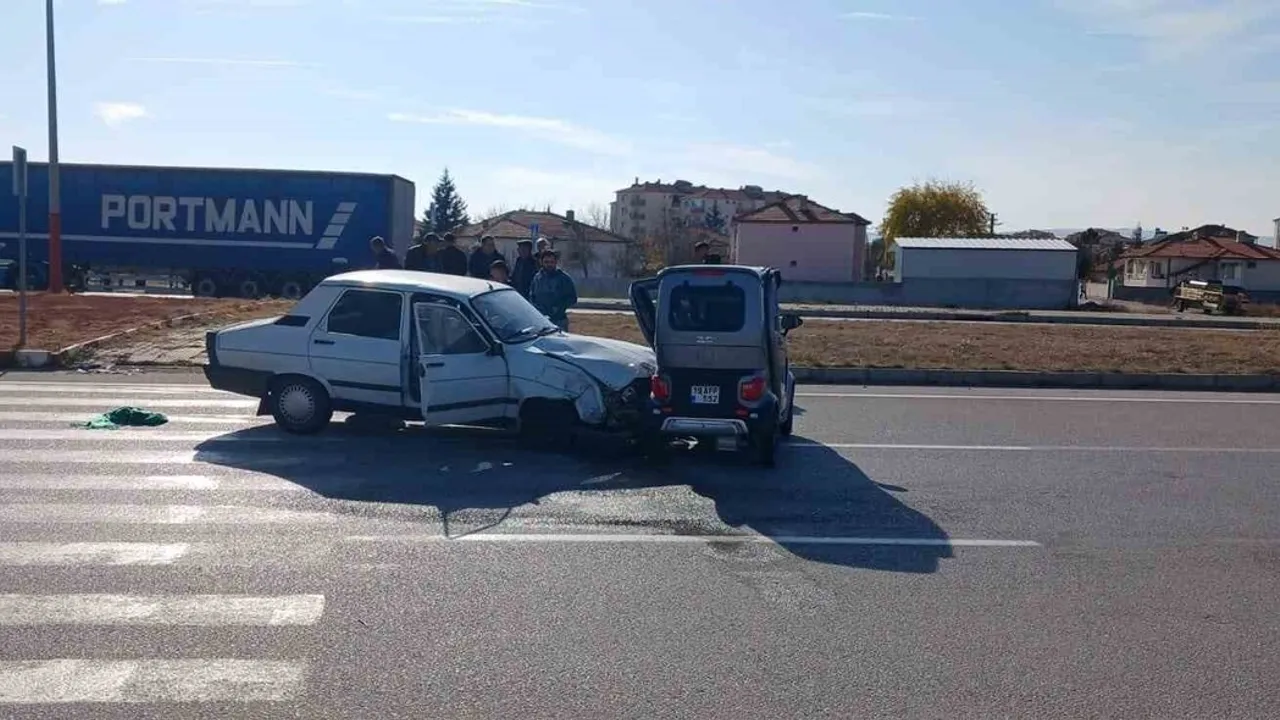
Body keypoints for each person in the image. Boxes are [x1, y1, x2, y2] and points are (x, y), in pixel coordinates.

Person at [529, 250, 578, 332]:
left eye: (552, 262)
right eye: (546, 262)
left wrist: (559, 308)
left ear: (556, 262)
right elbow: (532, 296)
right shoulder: (537, 278)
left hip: (559, 320)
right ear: (541, 262)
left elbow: (572, 298)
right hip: (541, 320)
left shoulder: (564, 278)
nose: (549, 264)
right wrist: (537, 309)